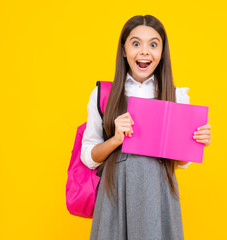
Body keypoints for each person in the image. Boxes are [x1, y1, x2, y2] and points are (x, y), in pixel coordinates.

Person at [81, 15, 211, 240]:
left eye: (153, 44)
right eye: (135, 43)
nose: (144, 51)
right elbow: (89, 157)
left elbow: (182, 161)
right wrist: (115, 139)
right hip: (115, 194)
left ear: (162, 53)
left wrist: (196, 140)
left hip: (158, 195)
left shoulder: (176, 96)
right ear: (123, 50)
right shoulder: (104, 94)